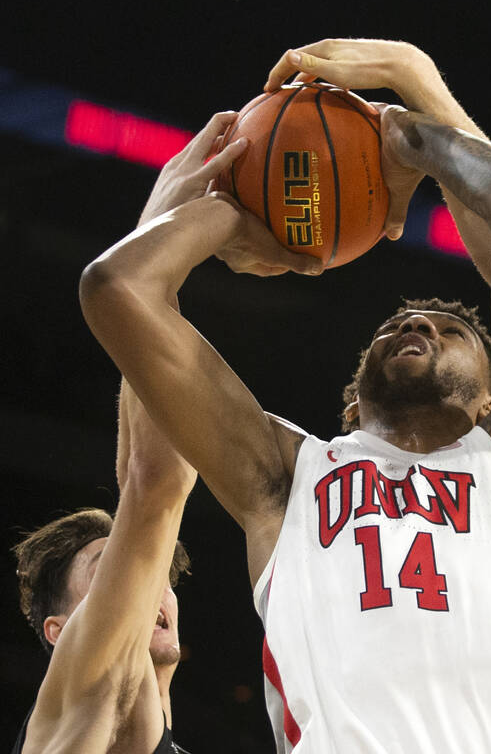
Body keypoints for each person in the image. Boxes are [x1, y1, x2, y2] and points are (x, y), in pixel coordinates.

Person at [79, 41, 491, 753]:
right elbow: (116, 289)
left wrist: (401, 136)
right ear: (353, 403)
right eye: (399, 325)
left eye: (449, 330)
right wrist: (232, 210)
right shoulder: (289, 479)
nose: (416, 323)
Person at [10, 112, 245, 753]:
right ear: (61, 633)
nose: (145, 579)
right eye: (104, 566)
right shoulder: (84, 705)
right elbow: (156, 479)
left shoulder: (152, 736)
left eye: (143, 569)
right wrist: (161, 241)